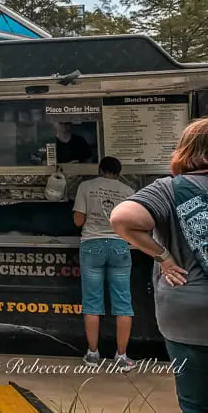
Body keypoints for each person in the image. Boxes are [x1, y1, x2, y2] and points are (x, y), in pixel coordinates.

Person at [111, 117, 208, 413]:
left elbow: (121, 219)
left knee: (195, 404)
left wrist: (164, 258)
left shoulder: (169, 189)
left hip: (188, 315)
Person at [72, 156, 136, 371]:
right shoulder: (128, 192)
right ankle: (122, 357)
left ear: (100, 170)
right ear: (119, 172)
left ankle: (92, 355)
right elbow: (133, 223)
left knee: (92, 301)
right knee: (123, 303)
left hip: (92, 245)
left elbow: (78, 221)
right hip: (119, 246)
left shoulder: (86, 187)